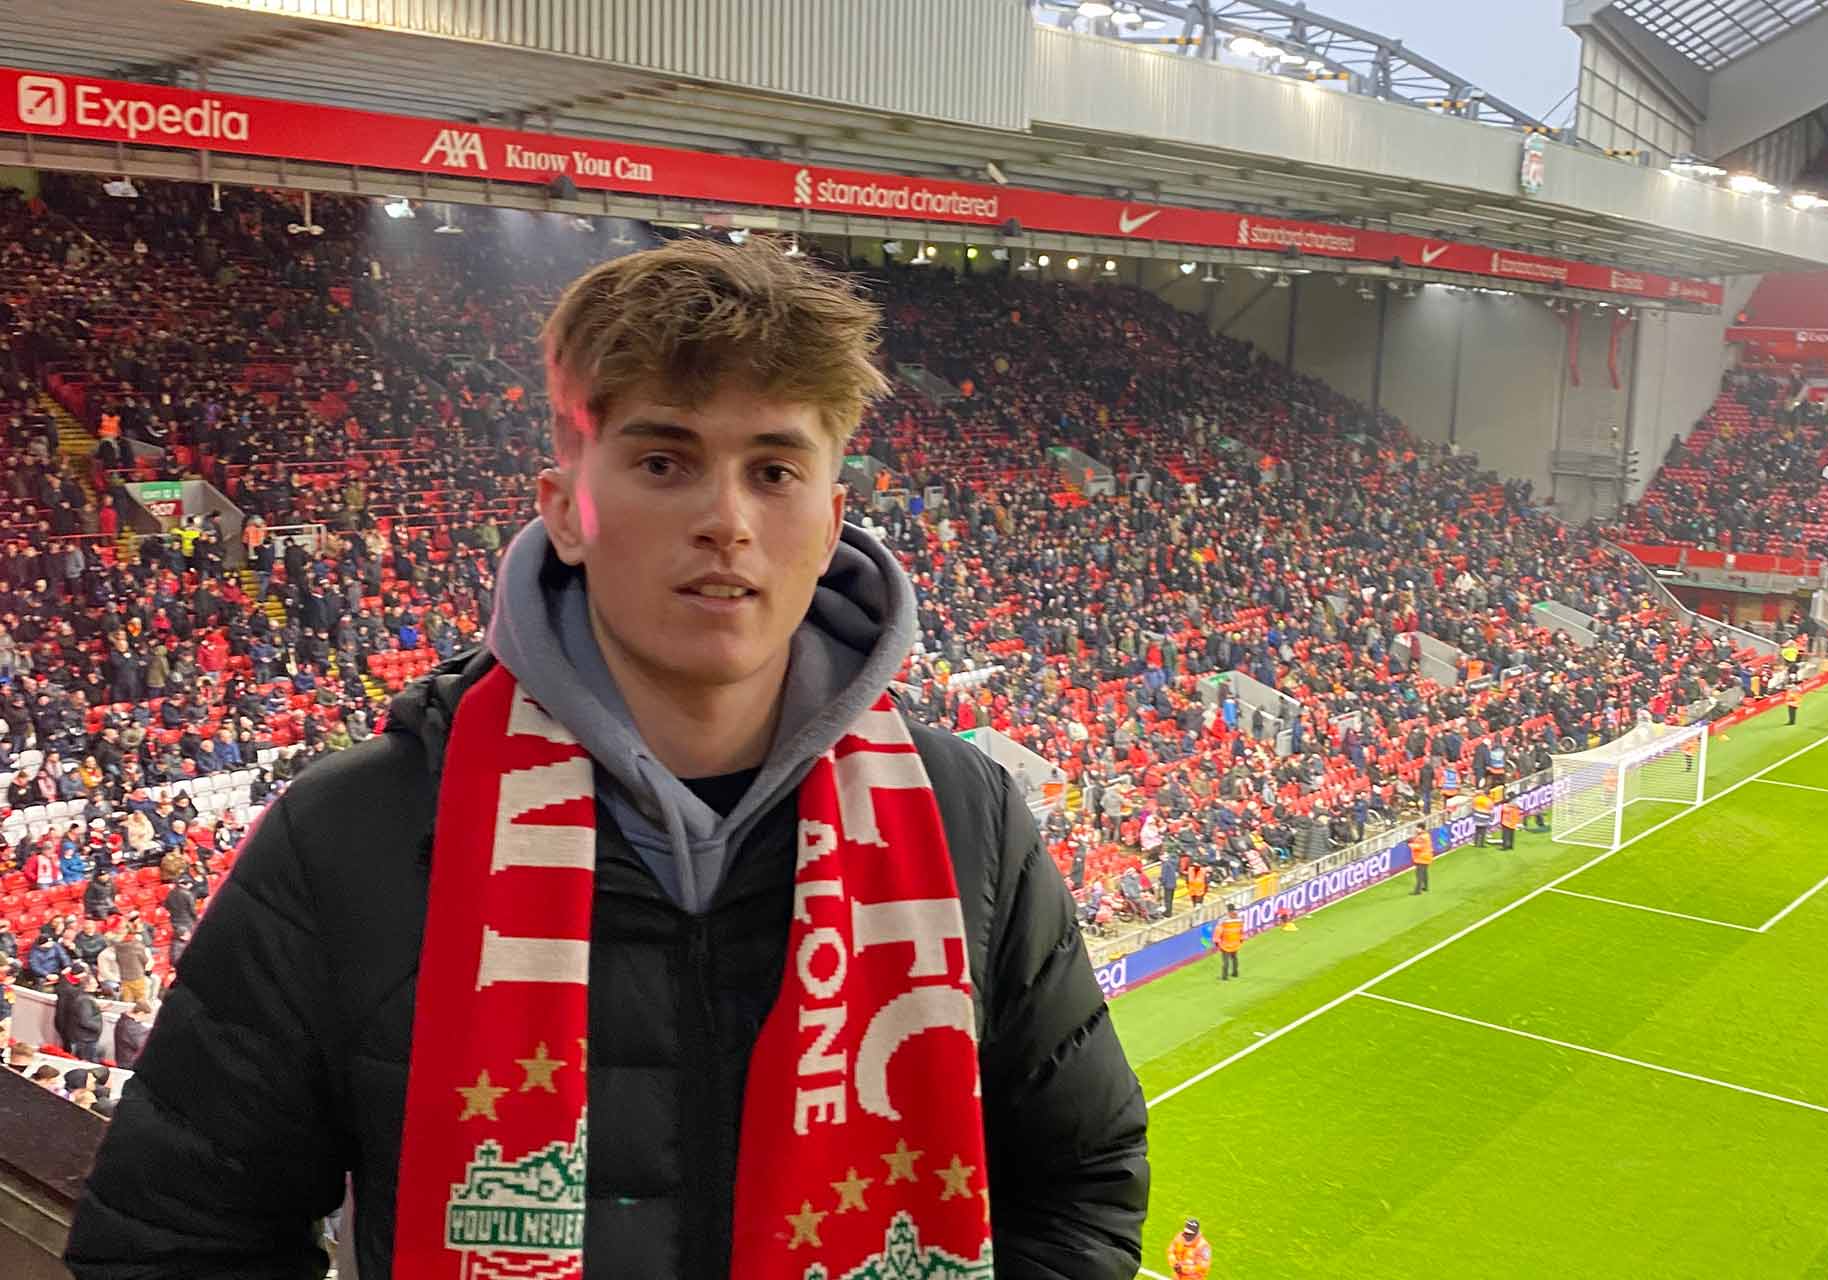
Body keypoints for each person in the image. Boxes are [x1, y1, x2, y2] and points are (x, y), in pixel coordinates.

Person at [67, 238, 1149, 1279]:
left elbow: (1082, 1177)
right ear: (566, 511)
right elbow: (175, 1237)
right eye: (665, 460)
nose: (726, 519)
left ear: (830, 523)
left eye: (773, 469)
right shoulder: (360, 829)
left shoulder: (967, 817)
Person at [113, 998, 154, 1066]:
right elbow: (144, 1046)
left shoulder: (123, 1020)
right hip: (130, 1063)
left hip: (122, 1060)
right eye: (145, 1017)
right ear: (141, 1013)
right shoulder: (132, 1027)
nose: (145, 1020)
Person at [1215, 906, 1243, 980]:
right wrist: (1241, 938)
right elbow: (1241, 930)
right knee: (1234, 958)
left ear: (1228, 911)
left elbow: (1218, 930)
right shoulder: (1239, 919)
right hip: (1235, 942)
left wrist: (1216, 940)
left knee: (1225, 960)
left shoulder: (1223, 920)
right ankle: (1235, 973)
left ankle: (1224, 976)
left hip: (1226, 943)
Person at [1410, 827, 1434, 895]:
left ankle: (1417, 891)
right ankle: (1426, 887)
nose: (1416, 830)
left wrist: (1410, 844)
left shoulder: (1422, 837)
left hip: (1421, 858)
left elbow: (1419, 847)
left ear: (1421, 828)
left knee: (1419, 875)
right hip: (1427, 857)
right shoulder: (1426, 835)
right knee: (1424, 873)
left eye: (1417, 828)